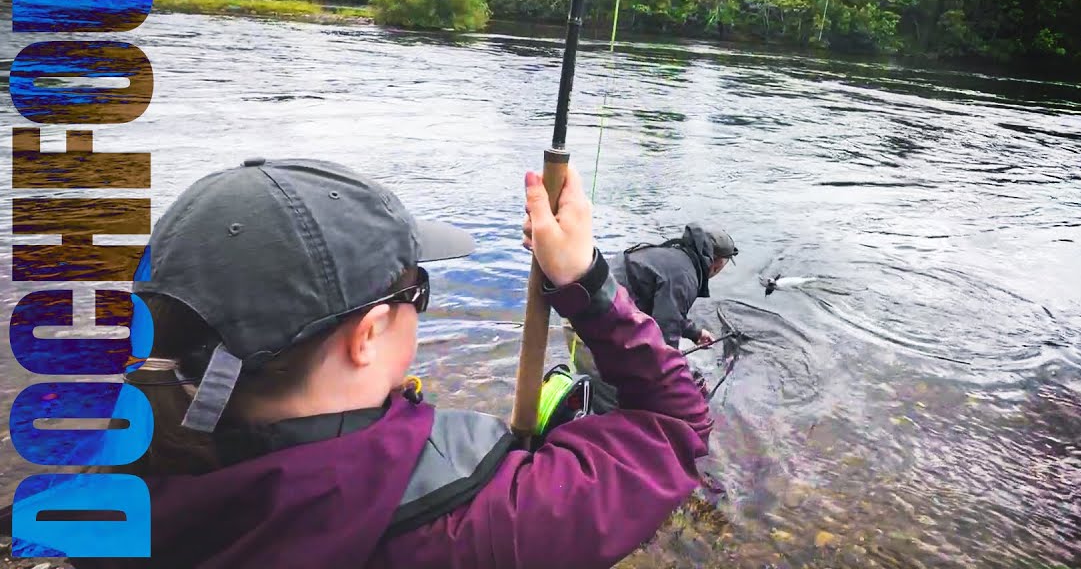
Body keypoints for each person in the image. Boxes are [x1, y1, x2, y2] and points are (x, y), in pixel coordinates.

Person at [28, 157, 711, 569]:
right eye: (418, 290)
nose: (423, 305)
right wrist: (587, 286)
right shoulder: (479, 525)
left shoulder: (115, 487)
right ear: (368, 335)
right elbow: (674, 425)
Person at [563, 222, 738, 410]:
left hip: (586, 314)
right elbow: (665, 335)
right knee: (617, 404)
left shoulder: (674, 256)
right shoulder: (685, 275)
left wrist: (694, 333)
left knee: (606, 390)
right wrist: (675, 385)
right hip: (591, 330)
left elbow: (666, 312)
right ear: (716, 264)